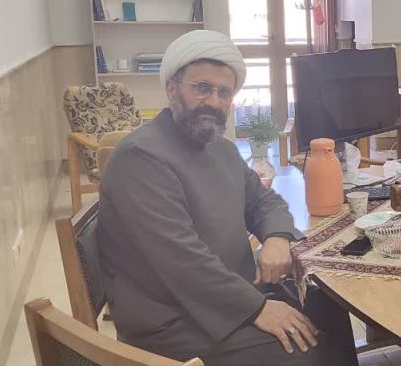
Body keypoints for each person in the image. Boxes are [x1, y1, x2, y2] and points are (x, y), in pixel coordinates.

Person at [97, 30, 359, 366]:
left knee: (330, 306)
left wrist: (277, 237)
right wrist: (258, 308)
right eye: (202, 87)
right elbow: (183, 263)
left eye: (224, 92)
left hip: (229, 294)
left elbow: (264, 202)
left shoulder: (220, 148)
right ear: (172, 89)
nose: (214, 101)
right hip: (172, 322)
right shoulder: (141, 158)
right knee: (312, 351)